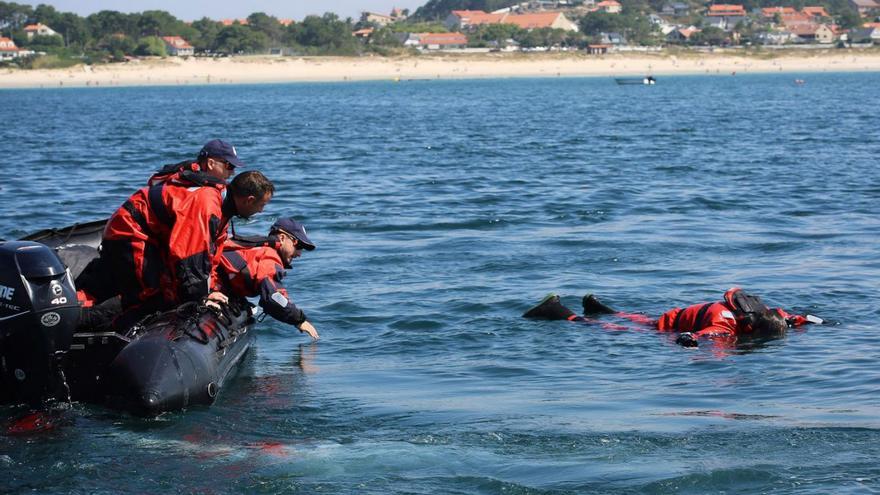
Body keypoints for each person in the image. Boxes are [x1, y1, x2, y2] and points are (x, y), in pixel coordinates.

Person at [82, 141, 274, 331]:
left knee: (163, 292)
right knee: (149, 297)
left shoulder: (221, 206)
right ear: (249, 200)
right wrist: (199, 299)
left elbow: (210, 256)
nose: (231, 172)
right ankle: (89, 326)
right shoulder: (206, 200)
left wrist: (212, 289)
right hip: (132, 231)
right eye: (229, 166)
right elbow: (188, 254)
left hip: (151, 235)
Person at [523, 288, 823, 347]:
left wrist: (811, 321)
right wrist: (690, 339)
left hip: (677, 316)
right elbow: (709, 335)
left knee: (645, 321)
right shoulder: (726, 323)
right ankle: (560, 313)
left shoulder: (764, 312)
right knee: (621, 331)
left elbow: (790, 317)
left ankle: (600, 309)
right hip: (676, 325)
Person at [218, 217, 319, 340]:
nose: (299, 253)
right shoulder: (269, 256)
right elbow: (273, 297)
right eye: (298, 245)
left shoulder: (259, 249)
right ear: (282, 238)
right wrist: (299, 320)